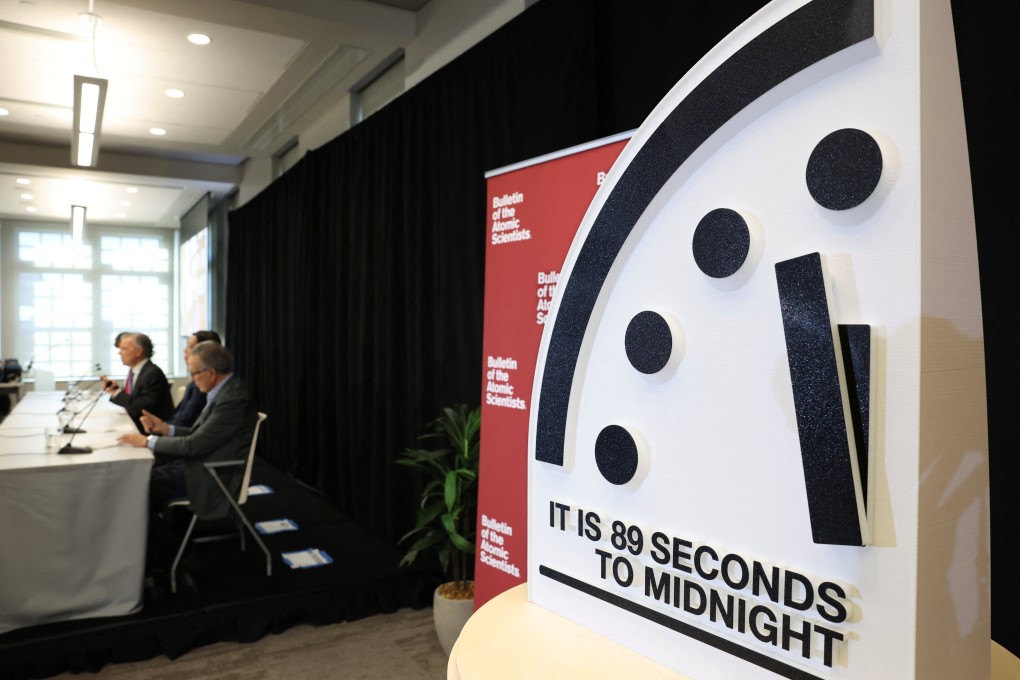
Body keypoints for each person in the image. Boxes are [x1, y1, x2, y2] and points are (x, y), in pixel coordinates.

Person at [118, 341, 258, 519]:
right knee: (142, 475)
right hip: (199, 462)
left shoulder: (232, 400)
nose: (192, 379)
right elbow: (201, 434)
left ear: (211, 373)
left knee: (140, 484)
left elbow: (194, 445)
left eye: (193, 373)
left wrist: (147, 441)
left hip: (211, 473)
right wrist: (165, 429)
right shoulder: (223, 392)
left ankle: (162, 543)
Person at [101, 332, 174, 433]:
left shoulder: (152, 373)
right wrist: (114, 390)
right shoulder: (134, 371)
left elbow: (142, 407)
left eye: (124, 348)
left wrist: (118, 393)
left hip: (149, 430)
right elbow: (131, 400)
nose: (120, 352)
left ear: (138, 351)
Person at [170, 330, 222, 428]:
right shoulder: (194, 383)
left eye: (190, 346)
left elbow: (186, 421)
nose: (185, 350)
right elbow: (179, 415)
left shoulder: (205, 385)